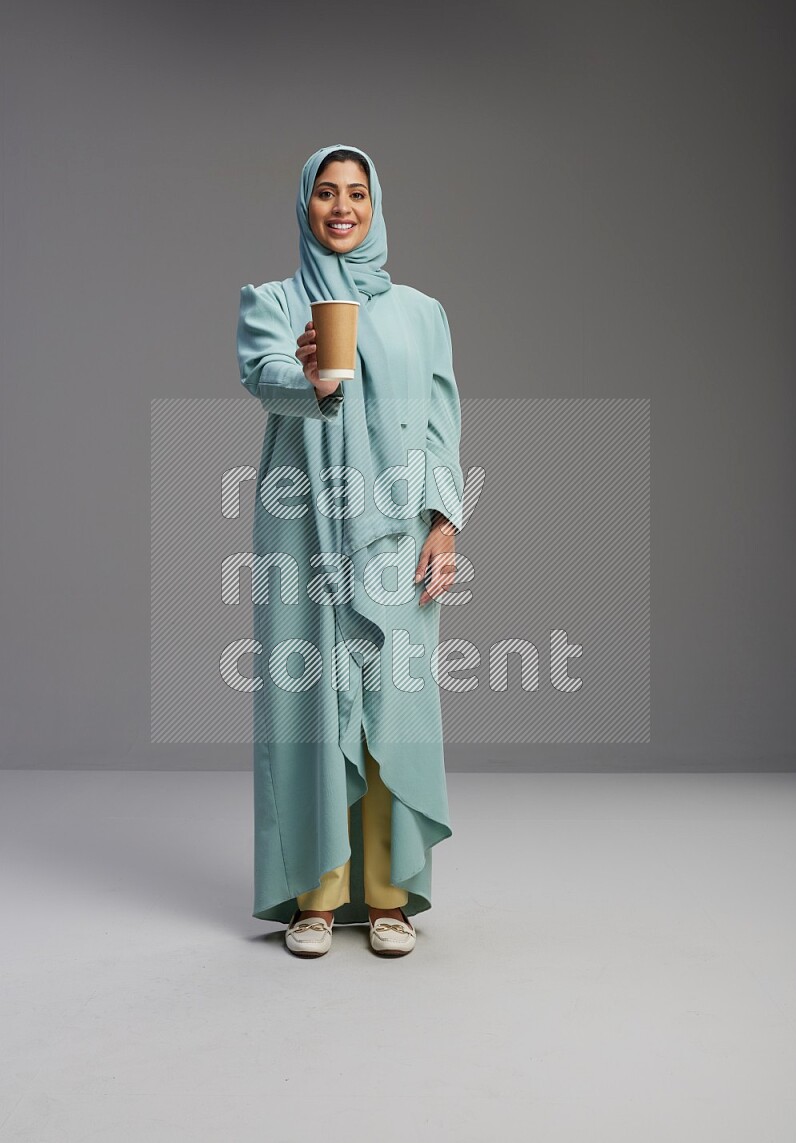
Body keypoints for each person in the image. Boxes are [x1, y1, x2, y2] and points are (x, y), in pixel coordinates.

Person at [236, 143, 465, 958]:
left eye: (357, 193)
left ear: (375, 205)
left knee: (389, 706)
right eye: (326, 193)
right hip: (303, 531)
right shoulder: (273, 298)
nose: (342, 207)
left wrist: (445, 523)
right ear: (306, 205)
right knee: (308, 705)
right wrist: (316, 380)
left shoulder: (420, 312)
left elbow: (441, 424)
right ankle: (317, 897)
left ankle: (389, 894)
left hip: (395, 533)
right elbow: (263, 375)